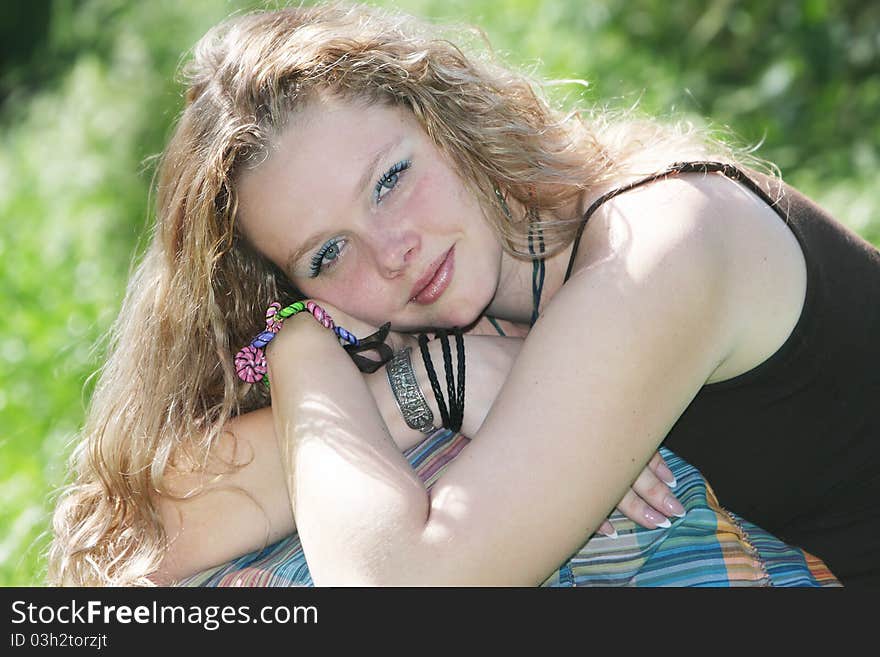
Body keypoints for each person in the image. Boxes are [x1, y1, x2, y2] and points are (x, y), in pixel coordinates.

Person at [48, 1, 877, 588]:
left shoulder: (664, 242)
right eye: (327, 253)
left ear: (446, 120)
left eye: (391, 180)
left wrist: (310, 351)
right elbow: (134, 537)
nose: (392, 249)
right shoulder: (437, 307)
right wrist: (410, 379)